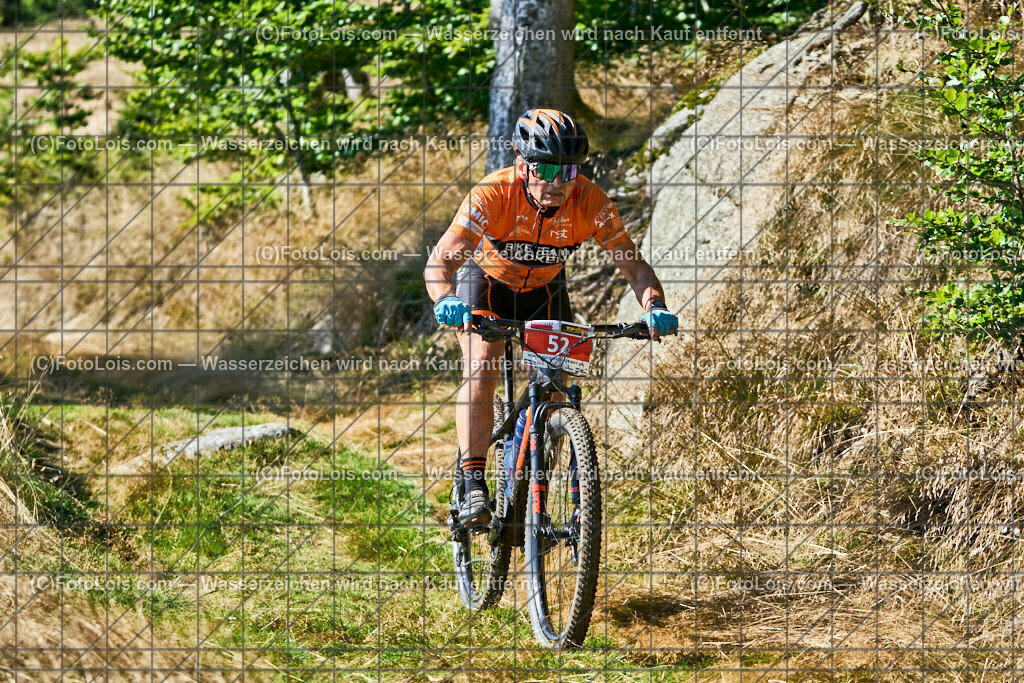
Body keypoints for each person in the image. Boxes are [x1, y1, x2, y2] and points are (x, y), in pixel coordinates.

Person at [424, 108, 678, 529]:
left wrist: (654, 307)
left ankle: (535, 489)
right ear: (523, 164)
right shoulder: (492, 194)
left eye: (570, 170)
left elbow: (636, 269)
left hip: (545, 290)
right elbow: (440, 262)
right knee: (482, 364)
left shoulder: (590, 200)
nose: (559, 182)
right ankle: (471, 482)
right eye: (546, 168)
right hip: (486, 284)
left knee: (557, 389)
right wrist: (445, 297)